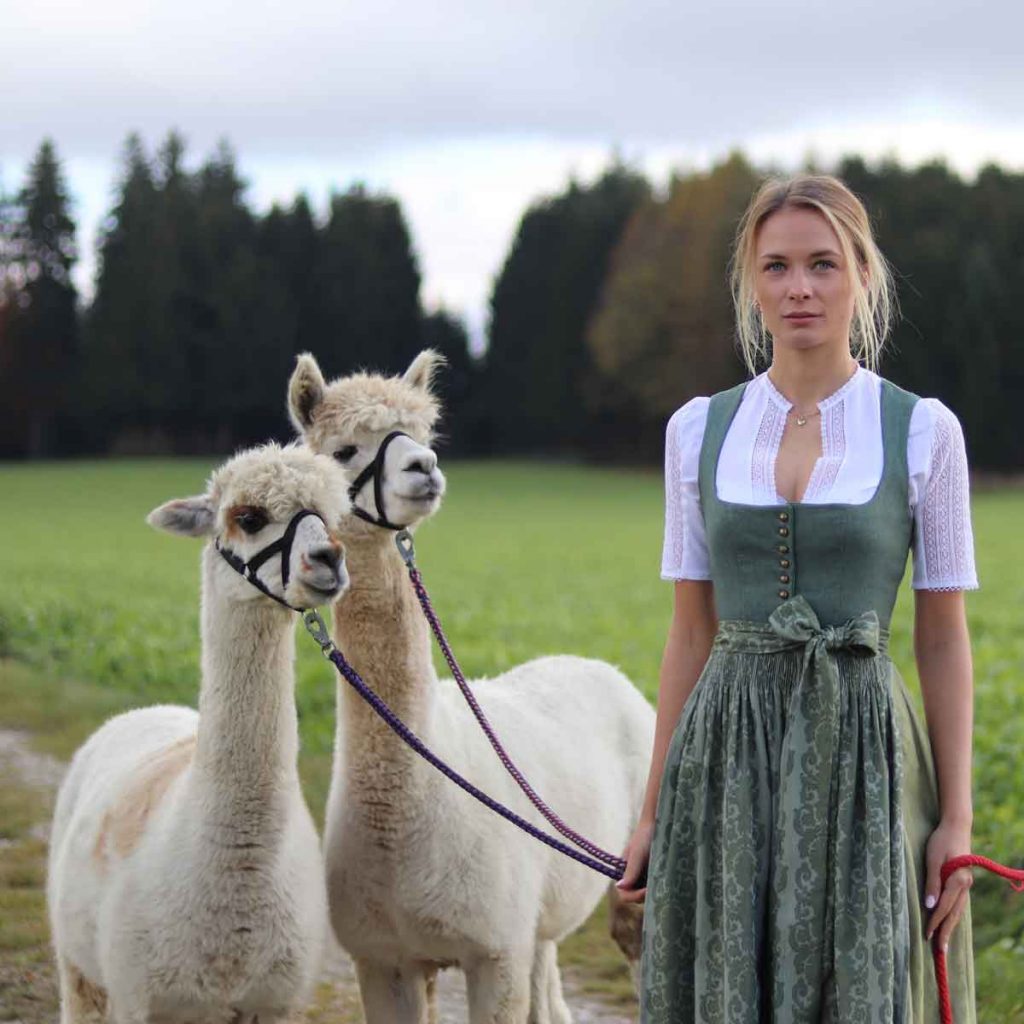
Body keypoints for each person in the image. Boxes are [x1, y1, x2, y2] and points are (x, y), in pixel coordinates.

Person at [616, 174, 977, 1023]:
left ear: (861, 274)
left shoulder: (925, 430)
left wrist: (956, 822)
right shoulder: (697, 430)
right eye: (776, 267)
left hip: (863, 748)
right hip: (725, 752)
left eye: (823, 263)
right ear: (751, 283)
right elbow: (690, 634)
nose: (800, 288)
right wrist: (650, 813)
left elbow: (942, 640)